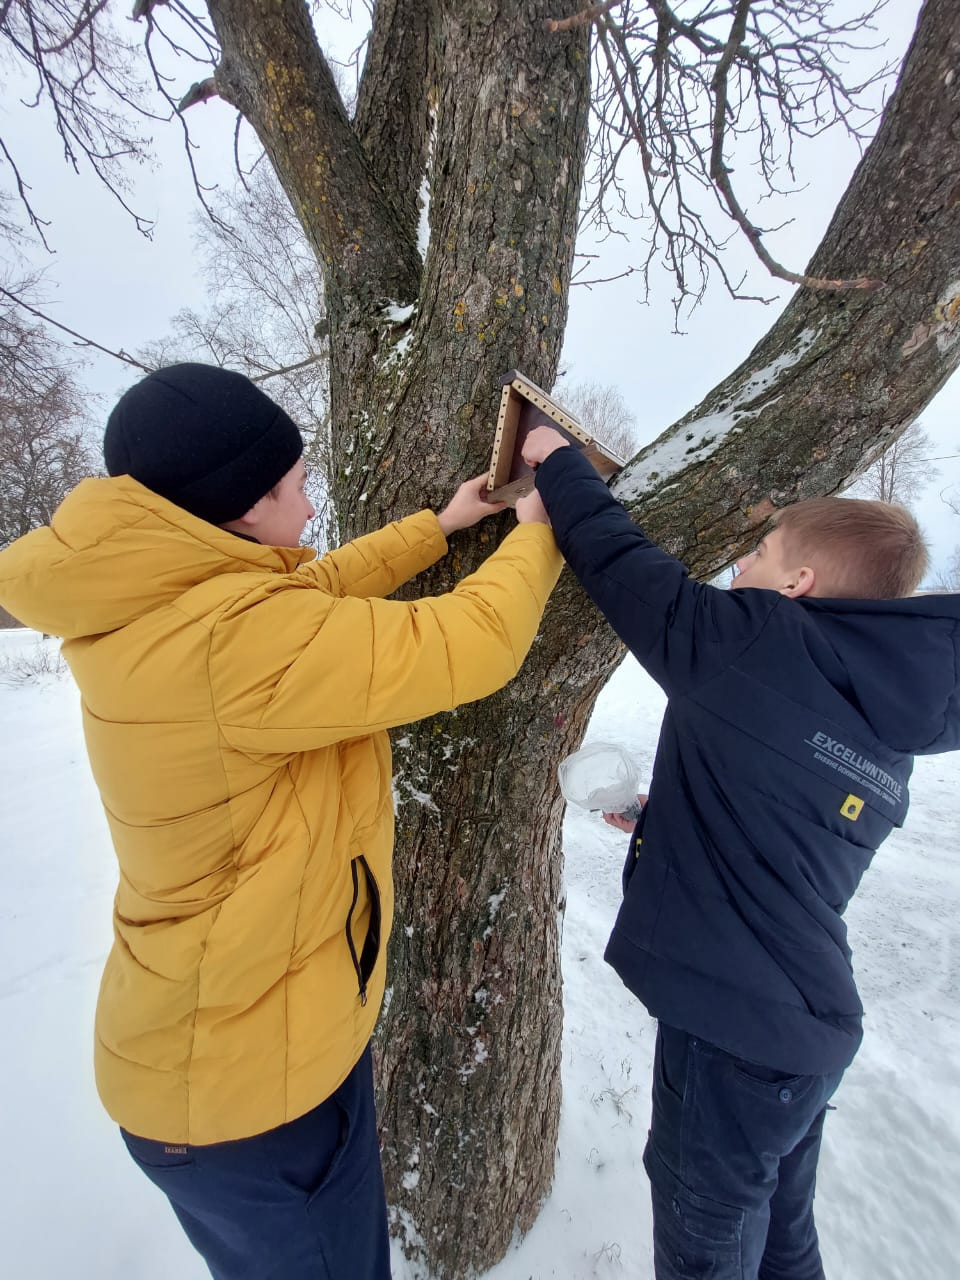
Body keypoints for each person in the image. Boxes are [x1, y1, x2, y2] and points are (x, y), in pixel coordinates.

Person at [0, 363, 560, 1280]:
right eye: (298, 485)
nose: (309, 506)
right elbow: (471, 642)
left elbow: (311, 592)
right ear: (243, 507)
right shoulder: (234, 642)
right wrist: (538, 532)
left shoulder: (162, 598)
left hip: (231, 1054)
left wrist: (439, 527)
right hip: (249, 1096)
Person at [519, 423, 960, 1280]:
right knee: (783, 1240)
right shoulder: (888, 730)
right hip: (805, 1035)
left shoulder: (755, 638)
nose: (738, 567)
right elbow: (782, 843)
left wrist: (556, 459)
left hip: (736, 1039)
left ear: (799, 583)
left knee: (706, 1245)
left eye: (759, 552)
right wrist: (668, 818)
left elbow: (620, 562)